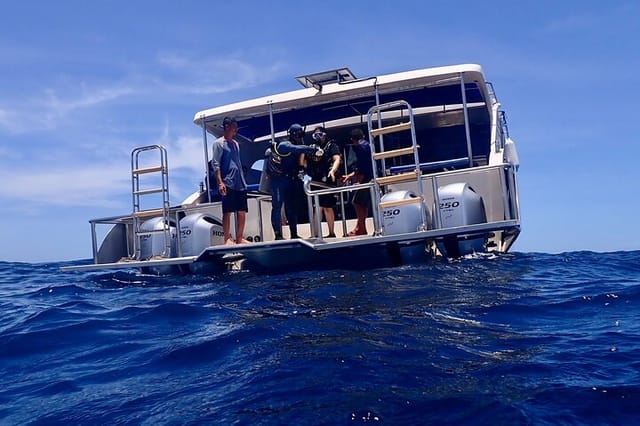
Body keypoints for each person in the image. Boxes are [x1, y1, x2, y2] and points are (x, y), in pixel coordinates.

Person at [267, 123, 323, 240]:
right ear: (293, 134)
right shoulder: (284, 145)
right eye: (299, 134)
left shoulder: (300, 145)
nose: (300, 137)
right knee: (277, 207)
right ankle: (278, 235)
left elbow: (301, 162)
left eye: (301, 134)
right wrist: (312, 149)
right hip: (278, 181)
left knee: (292, 208)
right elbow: (295, 149)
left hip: (290, 180)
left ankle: (294, 234)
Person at [210, 117, 249, 245]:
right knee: (227, 211)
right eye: (234, 127)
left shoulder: (236, 144)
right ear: (227, 127)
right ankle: (227, 238)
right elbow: (215, 163)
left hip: (240, 182)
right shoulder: (219, 143)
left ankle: (239, 238)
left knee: (242, 211)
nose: (236, 130)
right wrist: (220, 182)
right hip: (228, 181)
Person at [304, 126, 342, 238]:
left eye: (320, 134)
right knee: (318, 206)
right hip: (316, 180)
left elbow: (337, 159)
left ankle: (331, 232)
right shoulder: (312, 148)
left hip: (328, 180)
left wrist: (333, 170)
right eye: (315, 135)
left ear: (324, 135)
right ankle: (315, 234)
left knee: (327, 206)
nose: (317, 137)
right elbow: (305, 162)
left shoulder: (331, 146)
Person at [340, 127, 373, 236]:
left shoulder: (359, 147)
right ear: (363, 136)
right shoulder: (367, 145)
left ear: (353, 139)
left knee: (357, 202)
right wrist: (349, 176)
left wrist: (360, 182)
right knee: (363, 204)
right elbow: (362, 167)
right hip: (371, 177)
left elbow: (363, 167)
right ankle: (360, 227)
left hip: (366, 179)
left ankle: (361, 229)